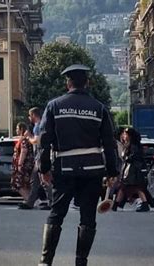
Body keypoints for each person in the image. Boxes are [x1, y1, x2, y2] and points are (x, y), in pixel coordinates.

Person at [38, 64, 118, 266]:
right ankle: (81, 262)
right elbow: (109, 144)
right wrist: (112, 171)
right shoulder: (99, 108)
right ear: (87, 83)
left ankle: (45, 261)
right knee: (88, 218)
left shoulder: (54, 106)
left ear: (68, 83)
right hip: (92, 170)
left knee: (56, 214)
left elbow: (44, 140)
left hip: (64, 168)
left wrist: (44, 168)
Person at [19, 107, 52, 210]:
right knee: (35, 180)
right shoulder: (39, 125)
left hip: (40, 156)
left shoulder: (38, 126)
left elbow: (37, 141)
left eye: (30, 116)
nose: (29, 118)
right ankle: (30, 202)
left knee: (44, 181)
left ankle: (52, 202)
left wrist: (29, 137)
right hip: (38, 156)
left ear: (33, 115)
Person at [112, 128, 150, 212]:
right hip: (129, 170)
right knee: (124, 187)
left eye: (126, 134)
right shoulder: (128, 145)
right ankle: (116, 204)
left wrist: (126, 157)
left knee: (134, 187)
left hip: (133, 171)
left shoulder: (134, 146)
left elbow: (132, 157)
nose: (124, 136)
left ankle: (144, 203)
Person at [11, 122, 34, 202]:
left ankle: (28, 199)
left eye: (17, 128)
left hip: (24, 165)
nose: (16, 130)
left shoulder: (24, 140)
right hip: (28, 164)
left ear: (21, 129)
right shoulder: (26, 139)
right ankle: (29, 199)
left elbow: (23, 151)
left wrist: (20, 164)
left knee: (18, 183)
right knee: (25, 184)